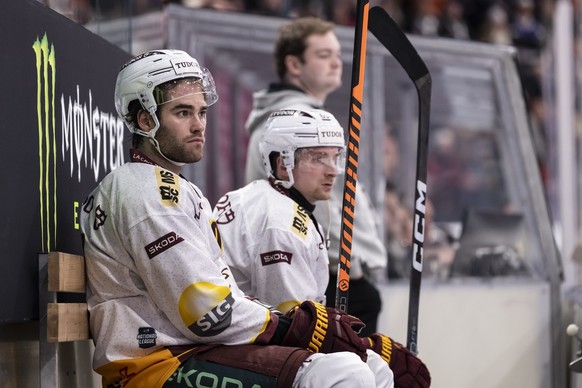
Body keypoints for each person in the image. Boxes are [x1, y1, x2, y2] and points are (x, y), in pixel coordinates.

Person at [80, 49, 398, 388]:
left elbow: (219, 296)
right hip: (153, 368)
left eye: (202, 112)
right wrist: (293, 327)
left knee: (370, 367)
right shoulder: (146, 194)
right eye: (182, 112)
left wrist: (298, 325)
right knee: (343, 374)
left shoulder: (171, 188)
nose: (198, 124)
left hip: (192, 351)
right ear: (145, 120)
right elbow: (205, 311)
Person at [214, 108, 431, 388]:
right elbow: (292, 321)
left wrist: (362, 346)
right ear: (283, 163)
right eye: (318, 158)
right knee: (355, 374)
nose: (333, 170)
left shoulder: (269, 200)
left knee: (376, 367)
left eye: (334, 156)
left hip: (247, 332)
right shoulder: (280, 222)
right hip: (235, 342)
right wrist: (361, 345)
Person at [244, 16, 386, 336]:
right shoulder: (300, 124)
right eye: (323, 55)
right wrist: (348, 271)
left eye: (337, 54)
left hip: (318, 271)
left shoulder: (294, 119)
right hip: (329, 277)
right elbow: (315, 203)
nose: (336, 63)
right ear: (294, 64)